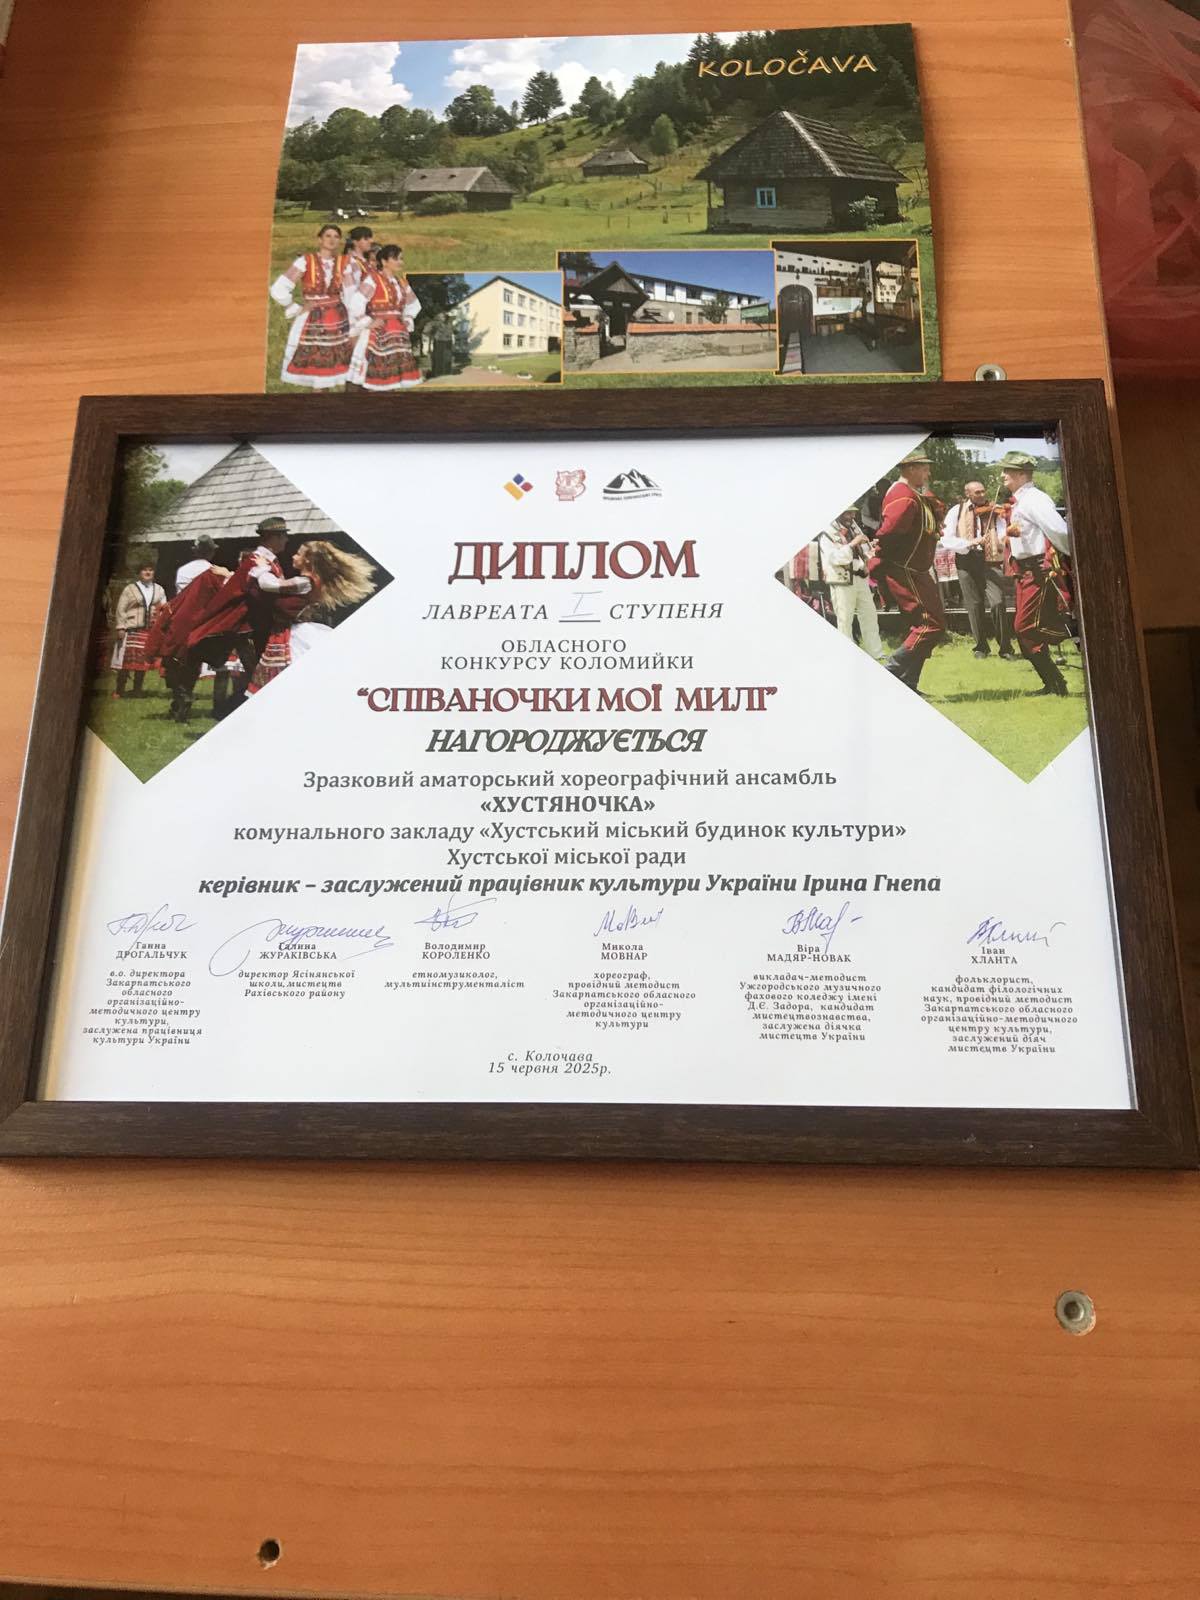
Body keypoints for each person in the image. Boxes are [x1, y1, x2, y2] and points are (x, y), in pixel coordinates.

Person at [174, 516, 308, 721]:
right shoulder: (257, 560)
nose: (286, 540)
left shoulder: (268, 561)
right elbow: (263, 586)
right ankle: (230, 711)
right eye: (283, 536)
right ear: (272, 537)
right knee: (258, 674)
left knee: (258, 674)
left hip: (260, 626)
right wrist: (302, 584)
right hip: (252, 628)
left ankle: (231, 711)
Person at [247, 540, 378, 694]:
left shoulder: (305, 582)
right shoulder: (304, 580)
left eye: (298, 554)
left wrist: (262, 567)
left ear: (307, 560)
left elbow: (269, 584)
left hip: (297, 633)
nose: (293, 556)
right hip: (288, 630)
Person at [870, 448, 947, 693]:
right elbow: (889, 533)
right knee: (930, 625)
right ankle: (889, 673)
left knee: (925, 626)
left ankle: (908, 684)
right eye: (924, 469)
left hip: (915, 570)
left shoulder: (911, 494)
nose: (928, 473)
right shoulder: (903, 496)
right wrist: (880, 560)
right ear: (910, 468)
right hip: (906, 571)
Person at [996, 451, 1071, 696]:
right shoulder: (1020, 501)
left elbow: (1059, 531)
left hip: (1038, 571)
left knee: (1025, 627)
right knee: (1025, 630)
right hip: (1024, 571)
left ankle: (1074, 633)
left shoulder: (1035, 499)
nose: (1002, 475)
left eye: (1007, 471)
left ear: (1020, 474)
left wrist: (1072, 555)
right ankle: (1054, 684)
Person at [269, 223, 353, 389]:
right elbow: (279, 287)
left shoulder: (344, 263)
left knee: (333, 368)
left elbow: (350, 292)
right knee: (316, 372)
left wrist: (353, 316)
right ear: (320, 239)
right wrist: (294, 306)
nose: (332, 240)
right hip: (313, 319)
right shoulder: (306, 261)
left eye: (336, 237)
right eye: (328, 236)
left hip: (337, 319)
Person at [938, 481, 1015, 658]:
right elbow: (946, 538)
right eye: (977, 493)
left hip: (990, 560)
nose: (982, 495)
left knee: (998, 602)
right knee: (974, 604)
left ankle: (1005, 648)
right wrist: (969, 543)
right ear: (968, 494)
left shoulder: (995, 510)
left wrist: (1001, 540)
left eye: (983, 491)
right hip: (966, 560)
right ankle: (981, 647)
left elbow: (1003, 532)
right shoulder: (956, 511)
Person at [347, 244, 423, 392]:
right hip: (377, 334)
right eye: (396, 259)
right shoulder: (373, 280)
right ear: (384, 261)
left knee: (393, 379)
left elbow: (414, 304)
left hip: (397, 335)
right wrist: (368, 322)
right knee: (370, 377)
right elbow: (356, 303)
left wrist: (407, 319)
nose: (400, 262)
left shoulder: (401, 282)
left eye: (401, 259)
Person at [816, 509, 884, 661]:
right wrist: (854, 543)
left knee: (869, 615)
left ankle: (877, 654)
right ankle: (846, 656)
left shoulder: (854, 527)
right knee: (845, 620)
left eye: (853, 513)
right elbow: (835, 558)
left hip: (860, 578)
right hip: (842, 581)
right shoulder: (827, 533)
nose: (852, 517)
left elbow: (864, 552)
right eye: (848, 513)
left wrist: (871, 547)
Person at [110, 562, 166, 698]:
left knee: (142, 662)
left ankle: (137, 690)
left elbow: (163, 609)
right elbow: (121, 609)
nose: (148, 573)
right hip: (131, 629)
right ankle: (119, 690)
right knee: (125, 662)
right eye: (144, 570)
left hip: (149, 631)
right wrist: (121, 627)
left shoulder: (159, 589)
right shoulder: (130, 589)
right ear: (139, 573)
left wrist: (161, 625)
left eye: (150, 570)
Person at [340, 225, 375, 299]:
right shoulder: (350, 262)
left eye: (370, 238)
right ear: (355, 242)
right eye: (366, 239)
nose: (371, 241)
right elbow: (349, 289)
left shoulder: (365, 261)